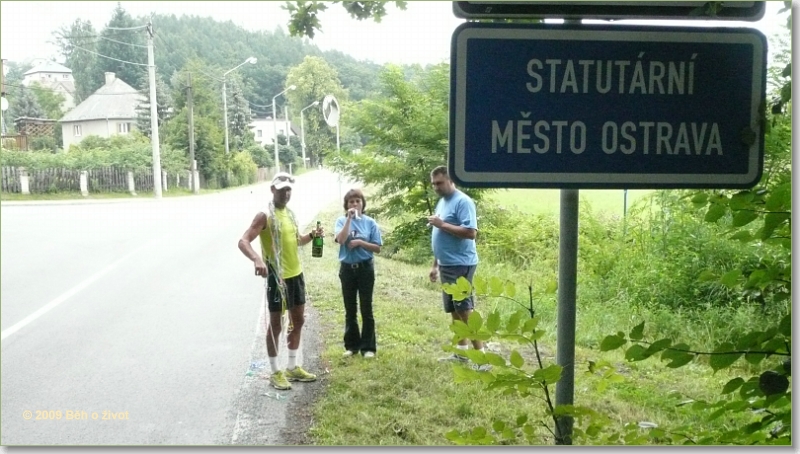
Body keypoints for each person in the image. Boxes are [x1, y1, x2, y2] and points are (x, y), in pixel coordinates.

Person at [238, 172, 322, 390]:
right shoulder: (264, 215)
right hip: (277, 278)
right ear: (273, 190)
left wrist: (312, 236)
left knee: (298, 320)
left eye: (289, 189)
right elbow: (243, 241)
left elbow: (297, 241)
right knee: (276, 324)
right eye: (282, 189)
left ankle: (292, 367)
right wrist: (257, 259)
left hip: (296, 274)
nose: (286, 193)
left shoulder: (290, 214)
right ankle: (275, 371)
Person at [427, 166, 486, 364]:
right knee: (454, 309)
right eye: (433, 184)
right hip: (446, 264)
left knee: (465, 310)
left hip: (461, 263)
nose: (436, 187)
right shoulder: (442, 201)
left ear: (451, 180)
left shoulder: (463, 201)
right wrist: (435, 265)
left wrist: (442, 224)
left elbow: (471, 232)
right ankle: (461, 354)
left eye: (439, 183)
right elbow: (439, 236)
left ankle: (482, 358)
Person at [334, 189, 383, 358]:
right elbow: (341, 240)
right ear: (346, 205)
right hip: (347, 269)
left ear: (363, 204)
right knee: (350, 308)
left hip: (365, 269)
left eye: (357, 201)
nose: (354, 204)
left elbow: (377, 248)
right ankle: (352, 346)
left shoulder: (370, 223)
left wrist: (361, 242)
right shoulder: (341, 221)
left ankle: (368, 347)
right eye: (351, 202)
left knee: (366, 307)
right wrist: (349, 219)